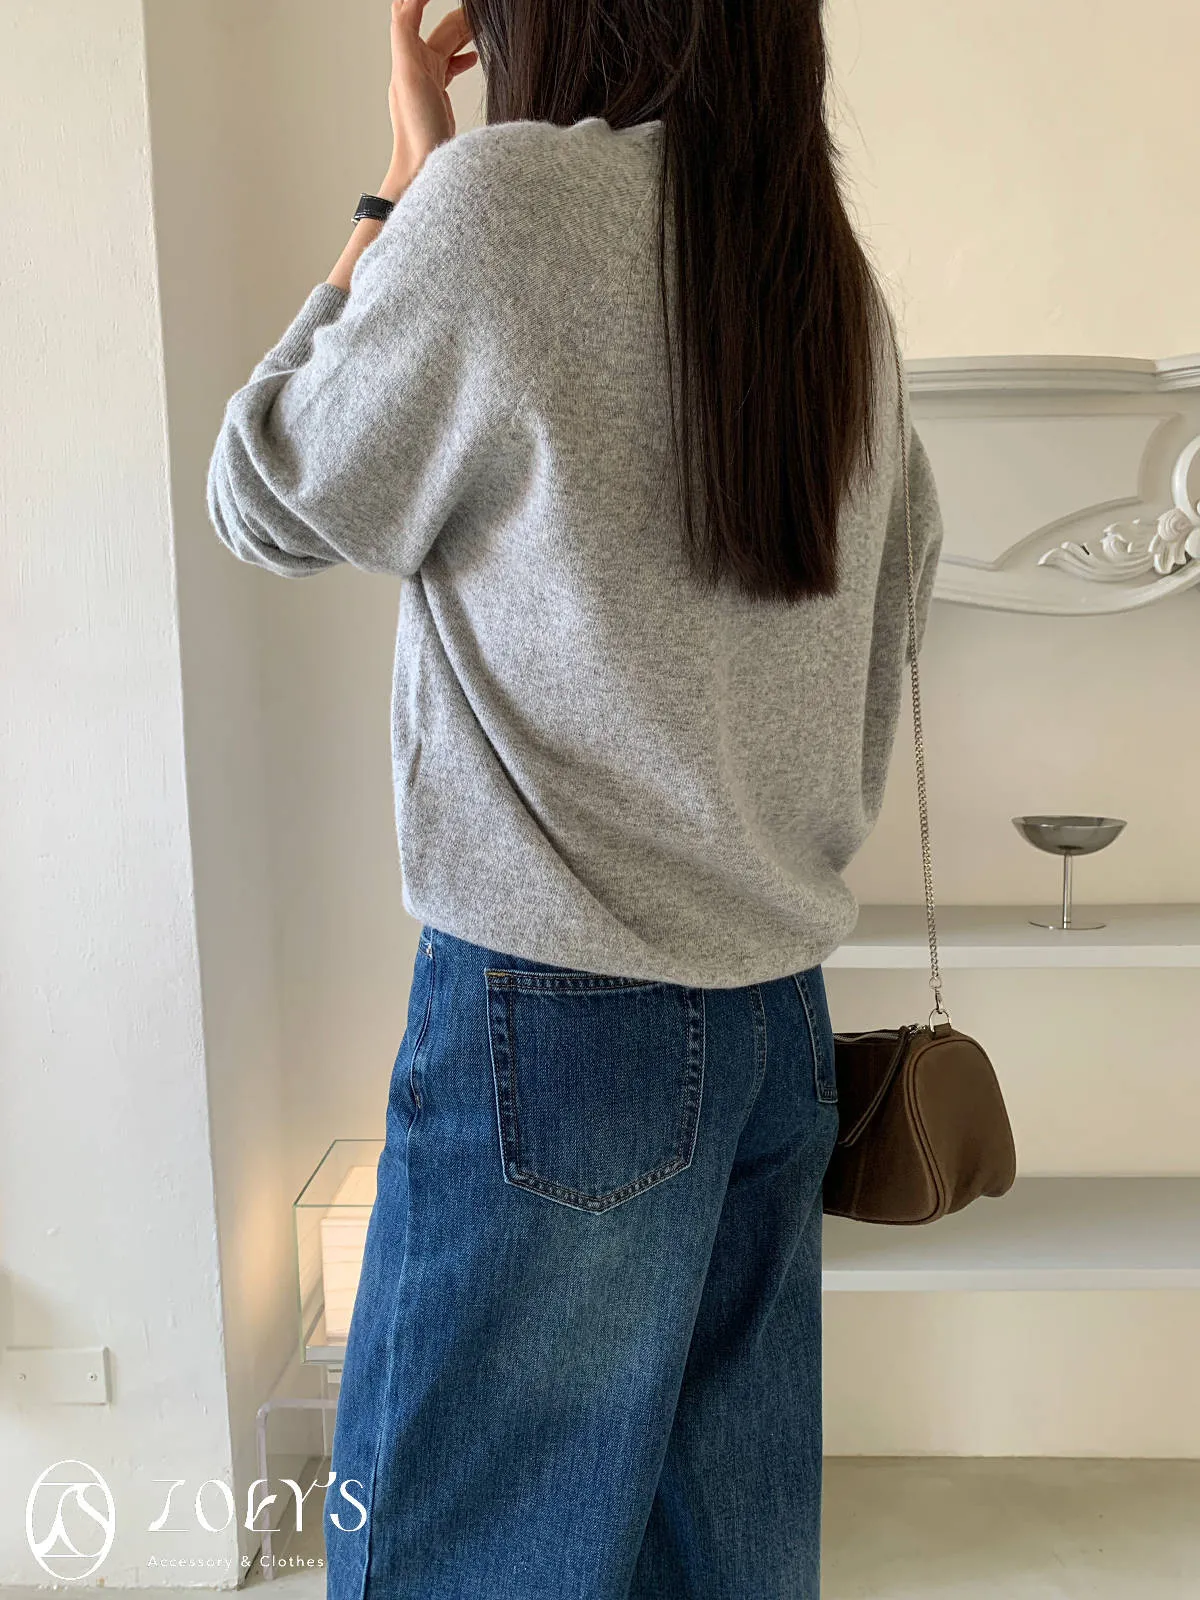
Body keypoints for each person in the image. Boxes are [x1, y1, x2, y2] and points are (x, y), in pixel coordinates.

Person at [207, 0, 944, 1593]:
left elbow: (264, 487)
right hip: (775, 1015)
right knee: (721, 1564)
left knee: (459, 1555)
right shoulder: (828, 281)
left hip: (559, 1023)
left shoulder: (508, 207)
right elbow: (899, 602)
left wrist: (404, 185)